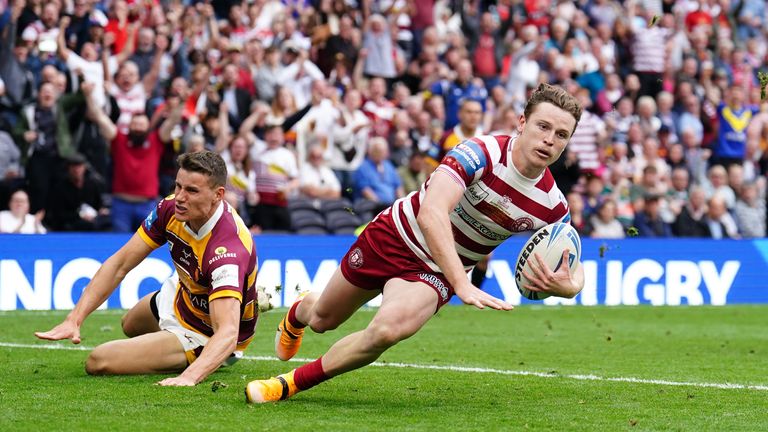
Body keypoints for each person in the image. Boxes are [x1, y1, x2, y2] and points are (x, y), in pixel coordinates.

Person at [245, 83, 586, 403]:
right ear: (522, 122)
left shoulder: (552, 204)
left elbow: (572, 264)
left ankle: (288, 384)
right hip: (394, 235)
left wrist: (569, 287)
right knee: (323, 320)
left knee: (387, 331)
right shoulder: (479, 152)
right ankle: (301, 310)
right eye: (542, 127)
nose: (549, 140)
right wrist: (462, 284)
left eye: (561, 135)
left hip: (435, 272)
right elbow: (432, 213)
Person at [36, 151, 259, 386]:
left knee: (98, 361)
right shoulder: (170, 208)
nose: (180, 198)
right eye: (178, 186)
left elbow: (227, 332)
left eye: (192, 191)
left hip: (204, 331)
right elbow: (120, 264)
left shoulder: (227, 249)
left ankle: (203, 356)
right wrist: (75, 319)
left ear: (218, 195)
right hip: (184, 296)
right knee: (130, 324)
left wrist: (188, 377)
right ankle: (171, 345)